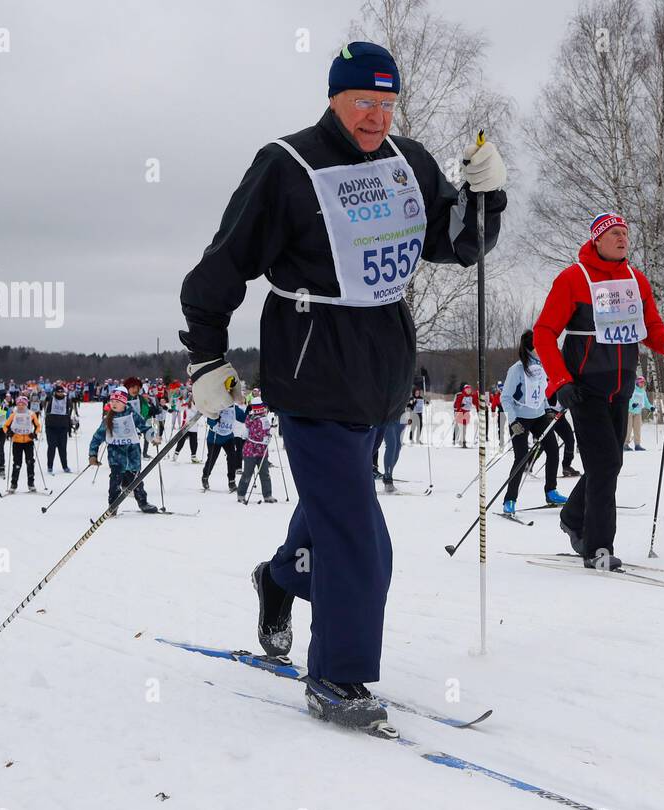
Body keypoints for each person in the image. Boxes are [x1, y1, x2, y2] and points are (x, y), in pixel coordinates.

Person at [177, 41, 507, 731]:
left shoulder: (407, 162)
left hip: (380, 374)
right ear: (334, 96)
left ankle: (281, 578)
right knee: (360, 536)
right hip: (309, 371)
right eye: (364, 102)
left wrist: (485, 194)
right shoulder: (287, 165)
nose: (376, 118)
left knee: (332, 515)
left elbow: (457, 243)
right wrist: (207, 358)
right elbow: (222, 265)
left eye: (388, 105)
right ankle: (335, 674)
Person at [533, 212, 664, 569]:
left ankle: (573, 517)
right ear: (597, 239)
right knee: (604, 465)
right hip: (584, 389)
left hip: (622, 388)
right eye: (614, 233)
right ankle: (598, 547)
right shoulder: (573, 278)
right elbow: (543, 333)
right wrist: (561, 381)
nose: (622, 239)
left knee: (609, 464)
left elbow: (651, 327)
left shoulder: (636, 279)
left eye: (625, 234)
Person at [500, 330, 565, 515]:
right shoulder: (517, 369)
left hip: (538, 417)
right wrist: (513, 421)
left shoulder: (541, 366)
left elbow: (541, 391)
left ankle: (551, 492)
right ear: (531, 348)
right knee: (521, 457)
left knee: (553, 450)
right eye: (539, 346)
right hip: (520, 419)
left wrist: (547, 410)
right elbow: (506, 398)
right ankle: (509, 500)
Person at [87, 385, 159, 514]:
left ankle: (143, 503)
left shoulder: (132, 414)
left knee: (136, 481)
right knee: (115, 482)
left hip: (132, 455)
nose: (114, 404)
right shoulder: (108, 419)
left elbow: (144, 427)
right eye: (112, 401)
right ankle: (113, 506)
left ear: (124, 402)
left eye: (117, 401)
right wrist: (93, 454)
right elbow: (97, 437)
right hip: (116, 456)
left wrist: (153, 437)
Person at [201, 401, 244, 492]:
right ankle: (205, 477)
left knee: (232, 457)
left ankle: (231, 481)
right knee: (212, 458)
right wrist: (215, 419)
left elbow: (243, 418)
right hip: (214, 438)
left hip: (228, 437)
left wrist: (248, 411)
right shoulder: (216, 406)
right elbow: (209, 421)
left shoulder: (234, 408)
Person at [3, 395, 42, 492]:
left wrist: (34, 434)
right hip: (17, 441)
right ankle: (13, 484)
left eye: (23, 404)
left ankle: (31, 483)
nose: (21, 406)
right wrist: (8, 433)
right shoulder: (14, 414)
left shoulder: (31, 414)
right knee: (17, 463)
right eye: (19, 404)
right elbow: (5, 425)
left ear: (26, 405)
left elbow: (38, 426)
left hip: (28, 441)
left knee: (30, 462)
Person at [43, 383, 76, 474]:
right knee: (51, 447)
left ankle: (65, 466)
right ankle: (50, 466)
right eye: (58, 392)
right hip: (51, 427)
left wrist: (69, 418)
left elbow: (71, 407)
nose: (60, 393)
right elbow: (44, 402)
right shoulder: (50, 398)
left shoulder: (66, 399)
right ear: (55, 392)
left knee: (62, 448)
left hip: (62, 427)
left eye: (62, 392)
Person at [625, 374, 650, 451]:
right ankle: (625, 444)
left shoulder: (643, 392)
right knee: (628, 429)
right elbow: (628, 399)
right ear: (637, 382)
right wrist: (632, 405)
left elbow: (646, 402)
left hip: (638, 412)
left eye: (643, 382)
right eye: (641, 382)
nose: (642, 384)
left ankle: (637, 445)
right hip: (629, 411)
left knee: (637, 428)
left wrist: (651, 407)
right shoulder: (632, 390)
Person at [453, 384, 479, 448]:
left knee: (464, 429)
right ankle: (463, 442)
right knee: (462, 429)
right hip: (460, 413)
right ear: (464, 390)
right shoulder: (461, 395)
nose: (468, 391)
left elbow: (476, 402)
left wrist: (478, 408)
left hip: (467, 414)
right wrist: (460, 406)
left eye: (469, 390)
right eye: (467, 389)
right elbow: (456, 404)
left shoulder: (471, 396)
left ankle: (460, 441)